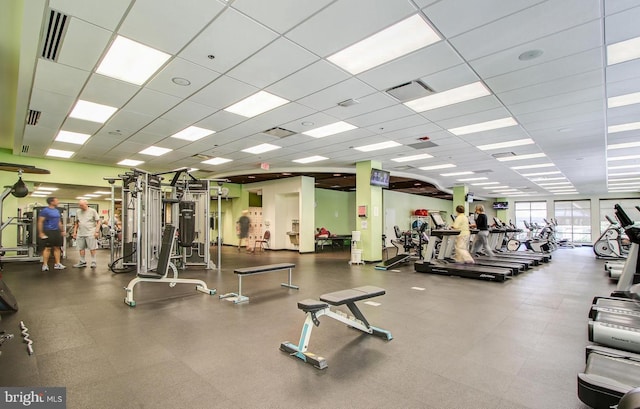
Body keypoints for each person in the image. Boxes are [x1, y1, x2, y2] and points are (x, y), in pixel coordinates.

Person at [38, 197, 66, 271]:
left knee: (57, 247)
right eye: (57, 201)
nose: (58, 202)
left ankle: (57, 264)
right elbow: (40, 222)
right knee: (48, 248)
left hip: (56, 231)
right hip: (48, 231)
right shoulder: (45, 211)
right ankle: (45, 265)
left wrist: (62, 230)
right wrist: (41, 232)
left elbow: (59, 221)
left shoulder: (57, 211)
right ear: (51, 202)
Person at [72, 200, 101, 268]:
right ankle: (82, 262)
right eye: (79, 205)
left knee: (92, 248)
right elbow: (76, 223)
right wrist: (74, 232)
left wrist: (96, 231)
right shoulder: (78, 212)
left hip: (90, 232)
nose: (80, 207)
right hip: (80, 233)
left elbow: (98, 222)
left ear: (86, 204)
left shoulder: (92, 211)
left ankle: (93, 261)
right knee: (81, 248)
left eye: (82, 205)